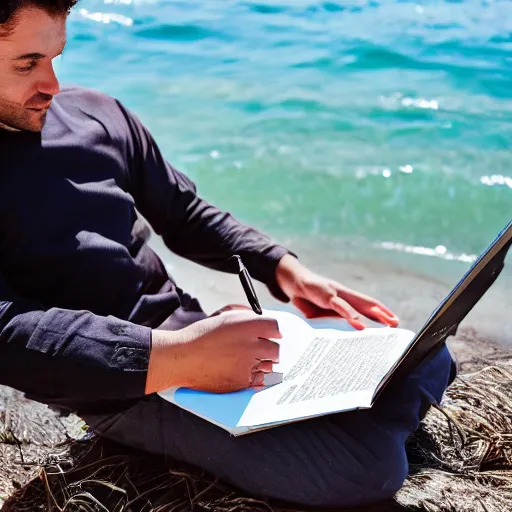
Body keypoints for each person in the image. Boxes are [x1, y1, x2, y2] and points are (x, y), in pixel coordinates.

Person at [0, 1, 455, 508]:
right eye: (28, 64)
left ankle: (343, 416)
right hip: (119, 386)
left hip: (198, 332)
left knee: (428, 356)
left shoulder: (95, 114)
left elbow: (184, 213)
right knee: (367, 469)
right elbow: (8, 333)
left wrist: (286, 270)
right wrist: (175, 358)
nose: (52, 85)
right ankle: (360, 425)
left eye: (55, 58)